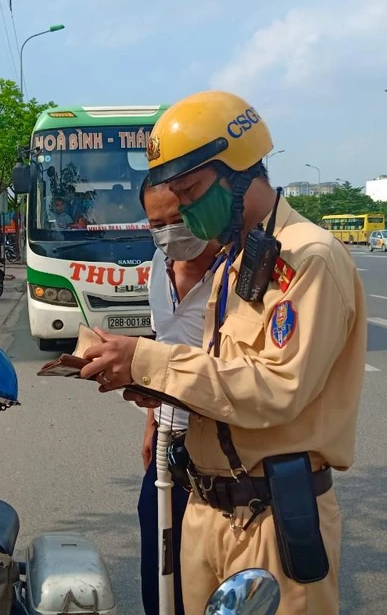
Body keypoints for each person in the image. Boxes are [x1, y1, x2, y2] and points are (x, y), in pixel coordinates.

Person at [80, 90, 367, 615]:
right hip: (206, 506)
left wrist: (148, 360)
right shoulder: (239, 259)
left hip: (272, 517)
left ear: (239, 172)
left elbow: (277, 388)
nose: (185, 211)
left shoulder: (310, 258)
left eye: (190, 192)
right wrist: (151, 387)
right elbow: (223, 376)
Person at [138, 179, 220, 615]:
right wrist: (152, 423)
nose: (169, 232)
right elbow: (163, 342)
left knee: (203, 563)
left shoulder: (233, 270)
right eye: (157, 224)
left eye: (178, 218)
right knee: (158, 554)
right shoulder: (157, 262)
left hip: (218, 444)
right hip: (169, 437)